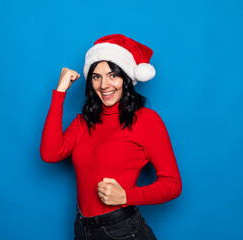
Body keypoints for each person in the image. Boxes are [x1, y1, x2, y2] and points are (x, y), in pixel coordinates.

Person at [40, 34, 182, 240]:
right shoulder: (82, 122)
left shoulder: (146, 120)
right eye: (96, 77)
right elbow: (49, 154)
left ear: (125, 78)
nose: (104, 85)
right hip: (82, 229)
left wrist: (126, 195)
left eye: (112, 75)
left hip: (122, 230)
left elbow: (173, 184)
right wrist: (60, 92)